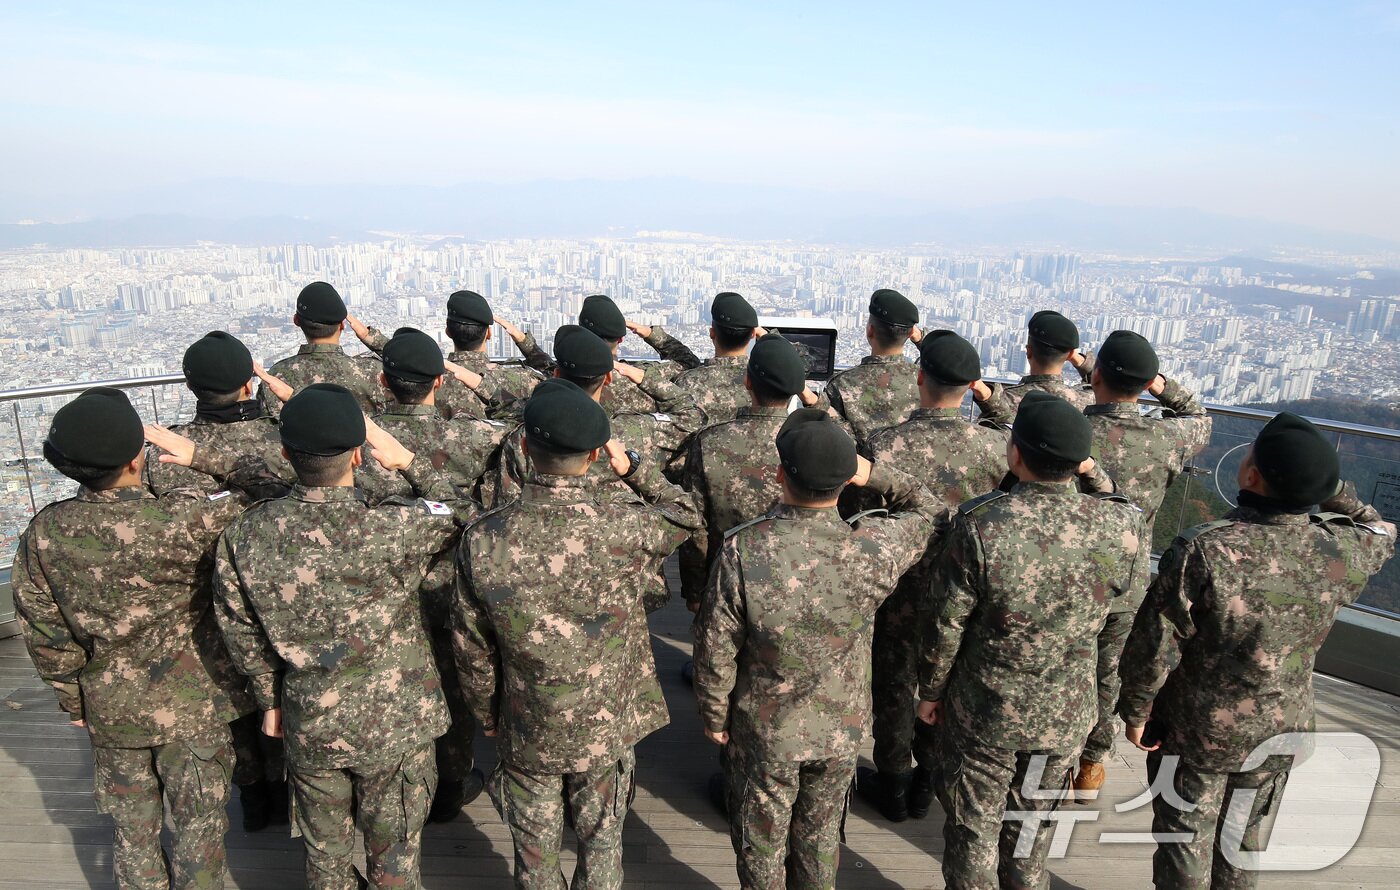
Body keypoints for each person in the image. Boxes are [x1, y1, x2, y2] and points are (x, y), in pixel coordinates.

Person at [1118, 412, 1395, 890]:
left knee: (1185, 839)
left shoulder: (1205, 550)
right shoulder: (1341, 550)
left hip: (1197, 731)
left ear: (1250, 476)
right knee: (1242, 840)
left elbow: (1155, 643)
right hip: (1281, 727)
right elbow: (1381, 528)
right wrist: (1329, 488)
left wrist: (1137, 709)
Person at [214, 384, 475, 890]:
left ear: (287, 454)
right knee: (395, 864)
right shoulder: (397, 526)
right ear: (359, 453)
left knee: (325, 861)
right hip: (395, 721)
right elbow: (466, 514)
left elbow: (240, 630)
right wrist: (408, 464)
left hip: (309, 717)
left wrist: (269, 700)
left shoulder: (243, 535)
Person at [12, 388, 271, 889]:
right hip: (196, 707)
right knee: (200, 833)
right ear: (137, 458)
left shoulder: (45, 532)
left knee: (133, 836)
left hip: (111, 709)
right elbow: (268, 486)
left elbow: (45, 633)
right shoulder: (184, 522)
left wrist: (72, 697)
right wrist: (198, 456)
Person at [451, 378, 700, 889]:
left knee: (535, 855)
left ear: (523, 447)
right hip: (606, 717)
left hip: (526, 716)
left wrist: (486, 713)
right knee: (602, 840)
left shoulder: (484, 538)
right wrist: (632, 466)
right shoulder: (627, 529)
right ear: (594, 456)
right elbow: (688, 515)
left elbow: (470, 644)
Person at [693, 408, 947, 890]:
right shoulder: (874, 548)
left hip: (765, 727)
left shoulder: (744, 551)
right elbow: (930, 509)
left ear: (779, 474)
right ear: (846, 482)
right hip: (840, 727)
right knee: (820, 837)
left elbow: (716, 647)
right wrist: (875, 475)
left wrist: (714, 714)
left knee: (760, 845)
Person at [917, 391, 1146, 889]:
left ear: (1015, 453)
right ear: (1080, 462)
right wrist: (1102, 713)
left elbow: (945, 624)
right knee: (1032, 833)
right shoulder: (1123, 527)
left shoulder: (981, 523)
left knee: (972, 832)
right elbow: (1118, 634)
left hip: (984, 709)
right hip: (1066, 711)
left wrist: (931, 691)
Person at [854, 330, 1015, 823]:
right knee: (941, 682)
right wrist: (992, 398)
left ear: (919, 378)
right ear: (970, 386)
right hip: (964, 591)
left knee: (893, 684)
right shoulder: (995, 448)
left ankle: (894, 780)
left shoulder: (881, 445)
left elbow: (859, 516)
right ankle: (928, 778)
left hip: (898, 585)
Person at [351, 327, 509, 821]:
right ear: (440, 382)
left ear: (381, 380)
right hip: (449, 586)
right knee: (456, 683)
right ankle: (449, 786)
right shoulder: (477, 436)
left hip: (376, 592)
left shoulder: (354, 443)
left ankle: (385, 787)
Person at [143, 330, 294, 830]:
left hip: (200, 601)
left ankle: (250, 794)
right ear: (250, 383)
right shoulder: (280, 440)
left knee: (229, 695)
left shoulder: (166, 452)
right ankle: (284, 784)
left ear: (190, 386)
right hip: (277, 595)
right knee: (273, 685)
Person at [1071, 330, 1212, 797]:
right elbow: (1198, 416)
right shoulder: (1165, 438)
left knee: (1054, 659)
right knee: (1109, 671)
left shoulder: (1070, 429)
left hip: (1064, 573)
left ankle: (1043, 760)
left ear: (1097, 376)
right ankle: (1092, 764)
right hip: (1126, 578)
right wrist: (1160, 385)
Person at [678, 333, 815, 609]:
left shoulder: (710, 442)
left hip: (724, 585)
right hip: (798, 580)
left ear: (747, 382)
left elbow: (695, 525)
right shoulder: (814, 441)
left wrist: (694, 591)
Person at [625, 291, 763, 426]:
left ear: (712, 333)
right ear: (753, 334)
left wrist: (652, 334)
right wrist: (766, 335)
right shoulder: (763, 385)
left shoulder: (688, 382)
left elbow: (686, 362)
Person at [257, 281, 390, 416]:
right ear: (342, 325)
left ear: (296, 321)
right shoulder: (373, 372)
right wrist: (369, 336)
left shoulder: (275, 379)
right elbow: (408, 367)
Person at [516, 294, 659, 415]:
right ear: (620, 339)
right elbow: (681, 365)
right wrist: (653, 335)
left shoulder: (557, 384)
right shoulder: (642, 383)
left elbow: (546, 367)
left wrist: (525, 342)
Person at [823, 288, 923, 447]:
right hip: (913, 469)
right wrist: (921, 340)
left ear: (870, 330)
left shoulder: (842, 384)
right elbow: (948, 366)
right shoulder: (924, 380)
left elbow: (833, 437)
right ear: (911, 333)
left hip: (860, 470)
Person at [996, 310, 1095, 414]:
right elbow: (1102, 383)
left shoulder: (1004, 402)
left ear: (1029, 351)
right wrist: (1078, 359)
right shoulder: (1086, 401)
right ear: (1070, 355)